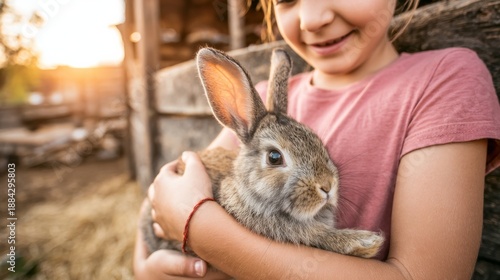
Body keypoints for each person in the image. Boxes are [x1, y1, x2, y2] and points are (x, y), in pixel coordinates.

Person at [134, 0, 500, 279]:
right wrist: (149, 269)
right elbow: (168, 197)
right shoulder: (261, 111)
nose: (312, 18)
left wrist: (200, 229)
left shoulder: (444, 80)